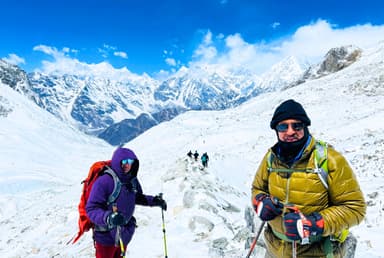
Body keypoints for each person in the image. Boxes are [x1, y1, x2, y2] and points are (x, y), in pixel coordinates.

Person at [251, 99, 366, 258]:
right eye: (283, 126)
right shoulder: (271, 158)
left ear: (305, 127)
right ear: (276, 130)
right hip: (275, 248)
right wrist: (260, 200)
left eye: (297, 125)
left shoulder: (328, 160)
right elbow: (257, 188)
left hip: (317, 252)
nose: (290, 131)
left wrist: (314, 224)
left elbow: (355, 208)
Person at [86, 147, 167, 258]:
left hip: (123, 233)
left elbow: (137, 197)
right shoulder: (105, 181)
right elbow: (91, 208)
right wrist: (109, 217)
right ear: (117, 162)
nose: (127, 165)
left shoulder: (132, 180)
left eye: (130, 162)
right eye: (123, 162)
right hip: (105, 238)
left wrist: (154, 201)